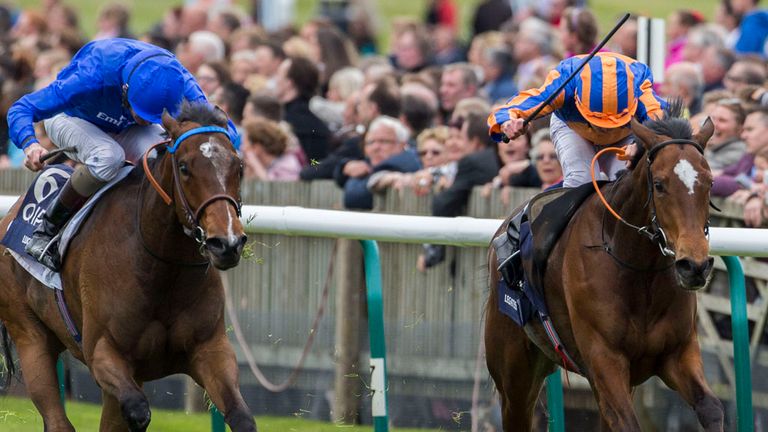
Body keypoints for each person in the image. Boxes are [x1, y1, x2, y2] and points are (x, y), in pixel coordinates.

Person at [7, 38, 237, 271]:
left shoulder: (181, 82)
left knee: (162, 156)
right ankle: (47, 230)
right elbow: (22, 108)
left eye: (153, 116)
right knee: (109, 156)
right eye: (144, 113)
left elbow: (225, 131)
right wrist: (30, 144)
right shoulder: (91, 75)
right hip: (71, 118)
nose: (148, 121)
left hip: (125, 126)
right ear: (125, 89)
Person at [488, 52, 666, 189]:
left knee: (626, 182)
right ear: (577, 97)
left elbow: (660, 121)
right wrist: (507, 121)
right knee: (582, 180)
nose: (603, 131)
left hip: (626, 135)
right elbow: (524, 102)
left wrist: (640, 144)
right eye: (597, 121)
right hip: (571, 128)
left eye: (611, 122)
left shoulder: (639, 83)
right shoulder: (566, 81)